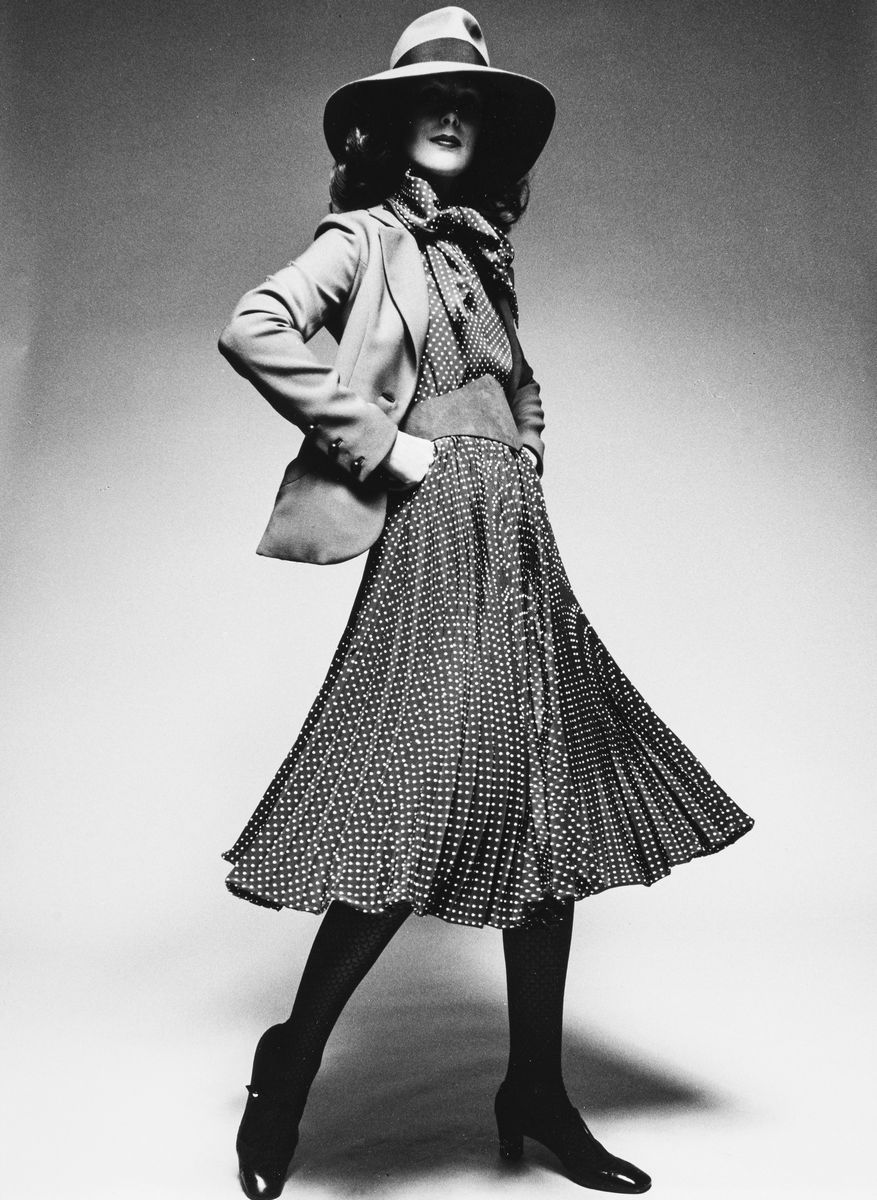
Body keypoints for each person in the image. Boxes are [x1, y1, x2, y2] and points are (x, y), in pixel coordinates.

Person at [217, 8, 755, 1198]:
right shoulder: (365, 237)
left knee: (546, 793)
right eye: (432, 99)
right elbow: (253, 327)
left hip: (512, 534)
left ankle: (534, 1090)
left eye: (471, 103)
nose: (453, 115)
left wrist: (522, 463)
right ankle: (290, 1064)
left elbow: (513, 387)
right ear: (390, 126)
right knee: (416, 790)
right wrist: (385, 448)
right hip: (432, 535)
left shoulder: (481, 249)